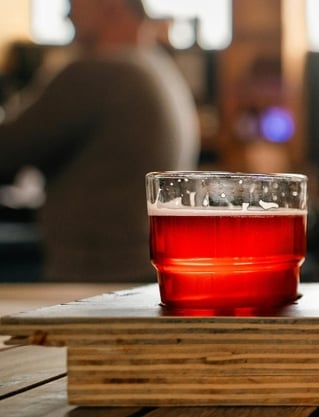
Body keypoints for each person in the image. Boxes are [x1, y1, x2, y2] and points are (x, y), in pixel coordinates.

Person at [0, 0, 199, 282]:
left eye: (75, 4)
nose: (66, 13)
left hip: (95, 274)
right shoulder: (156, 65)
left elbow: (7, 152)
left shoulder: (101, 72)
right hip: (137, 268)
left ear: (112, 6)